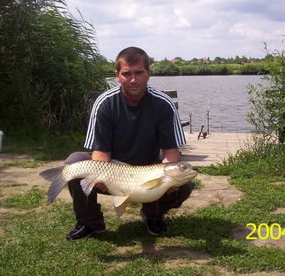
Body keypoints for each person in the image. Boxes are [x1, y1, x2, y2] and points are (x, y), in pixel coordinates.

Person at [65, 46, 194, 240]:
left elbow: (170, 151)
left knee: (185, 182)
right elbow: (100, 151)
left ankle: (153, 215)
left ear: (148, 74)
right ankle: (89, 222)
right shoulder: (105, 103)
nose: (133, 79)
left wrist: (171, 179)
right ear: (118, 75)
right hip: (112, 169)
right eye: (127, 74)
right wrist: (102, 178)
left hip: (147, 167)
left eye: (139, 73)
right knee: (74, 163)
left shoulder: (163, 104)